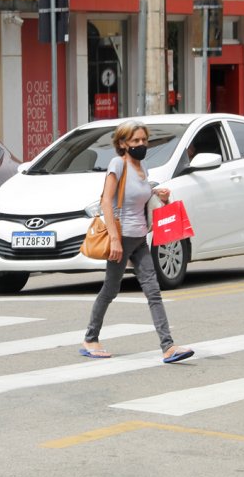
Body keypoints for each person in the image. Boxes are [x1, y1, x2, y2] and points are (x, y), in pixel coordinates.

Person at [81, 120, 194, 364]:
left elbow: (139, 198)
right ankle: (90, 339)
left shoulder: (143, 169)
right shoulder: (117, 164)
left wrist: (156, 194)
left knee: (153, 292)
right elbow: (106, 202)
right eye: (135, 141)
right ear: (123, 144)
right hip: (121, 238)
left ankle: (168, 346)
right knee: (110, 290)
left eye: (144, 140)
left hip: (140, 238)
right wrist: (114, 239)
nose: (141, 144)